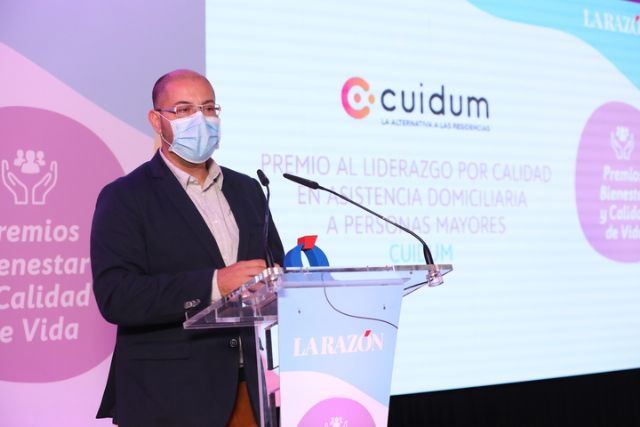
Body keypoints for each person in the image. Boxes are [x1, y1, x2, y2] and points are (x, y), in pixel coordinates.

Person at [90, 69, 284, 427]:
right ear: (157, 120)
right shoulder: (125, 197)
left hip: (248, 389)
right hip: (167, 397)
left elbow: (273, 267)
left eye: (209, 108)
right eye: (183, 110)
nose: (201, 119)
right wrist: (214, 284)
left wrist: (278, 281)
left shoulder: (248, 190)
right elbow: (116, 296)